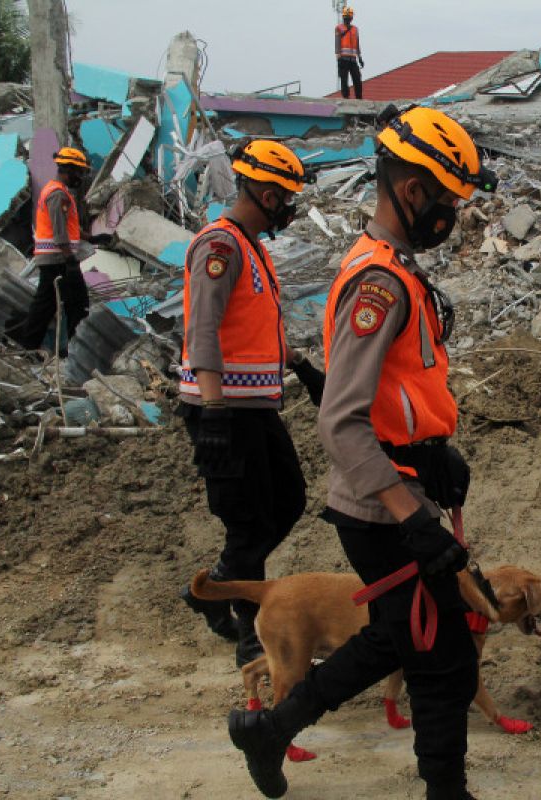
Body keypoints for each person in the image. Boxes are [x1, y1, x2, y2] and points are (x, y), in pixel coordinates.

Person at [226, 105, 498, 800]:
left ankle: (273, 727)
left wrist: (435, 453)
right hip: (381, 509)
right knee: (441, 664)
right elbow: (341, 422)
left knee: (394, 636)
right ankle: (448, 792)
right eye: (447, 201)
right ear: (413, 192)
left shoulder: (397, 271)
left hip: (398, 487)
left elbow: (394, 396)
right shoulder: (377, 283)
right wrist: (413, 513)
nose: (452, 216)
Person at [177, 139, 325, 667]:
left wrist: (303, 369)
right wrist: (213, 411)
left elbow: (256, 327)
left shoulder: (253, 246)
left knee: (286, 501)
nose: (289, 208)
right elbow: (203, 331)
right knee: (246, 523)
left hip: (257, 407)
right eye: (285, 198)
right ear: (264, 193)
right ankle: (249, 639)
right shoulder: (218, 247)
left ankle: (214, 586)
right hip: (225, 411)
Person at [9, 147, 92, 351]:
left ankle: (33, 346)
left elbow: (71, 228)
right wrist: (70, 260)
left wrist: (95, 238)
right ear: (68, 170)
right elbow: (60, 232)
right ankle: (70, 347)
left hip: (56, 260)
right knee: (73, 304)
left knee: (54, 305)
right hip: (57, 261)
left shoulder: (59, 192)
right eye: (78, 172)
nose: (80, 177)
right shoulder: (57, 195)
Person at [335, 6, 364, 99]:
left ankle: (359, 97)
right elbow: (337, 44)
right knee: (344, 79)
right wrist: (338, 57)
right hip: (343, 59)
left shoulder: (355, 29)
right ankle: (346, 97)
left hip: (353, 59)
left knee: (357, 79)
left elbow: (357, 44)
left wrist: (360, 58)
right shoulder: (339, 28)